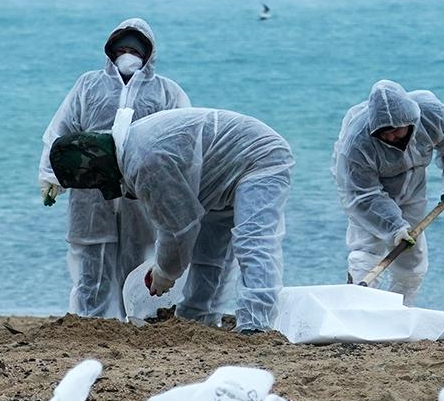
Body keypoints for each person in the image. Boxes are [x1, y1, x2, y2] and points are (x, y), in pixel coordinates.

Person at [50, 108, 292, 333]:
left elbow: (178, 228)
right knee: (207, 254)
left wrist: (165, 273)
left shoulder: (145, 162)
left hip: (259, 159)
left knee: (252, 241)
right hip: (222, 172)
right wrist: (166, 266)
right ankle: (196, 318)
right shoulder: (129, 147)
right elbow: (182, 224)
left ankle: (257, 324)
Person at [38, 18, 190, 318]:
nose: (128, 54)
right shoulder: (88, 84)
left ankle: (140, 319)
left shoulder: (166, 92)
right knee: (91, 263)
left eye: (135, 49)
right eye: (122, 48)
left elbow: (183, 139)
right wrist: (50, 175)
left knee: (139, 262)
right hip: (92, 193)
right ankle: (87, 320)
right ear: (110, 50)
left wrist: (180, 190)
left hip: (141, 193)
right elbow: (61, 129)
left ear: (148, 54)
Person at [330, 79, 444, 305]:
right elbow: (362, 195)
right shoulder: (356, 143)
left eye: (396, 131)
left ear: (411, 121)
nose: (391, 137)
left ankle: (399, 308)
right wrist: (394, 227)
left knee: (411, 257)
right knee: (366, 249)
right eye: (384, 133)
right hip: (365, 194)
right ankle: (359, 306)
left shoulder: (434, 116)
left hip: (412, 185)